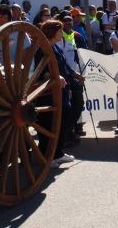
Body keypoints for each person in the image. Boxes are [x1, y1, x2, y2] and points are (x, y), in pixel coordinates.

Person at [36, 20, 84, 168]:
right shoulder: (42, 50)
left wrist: (75, 74)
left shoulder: (54, 47)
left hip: (61, 92)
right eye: (59, 31)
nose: (61, 33)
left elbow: (63, 66)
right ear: (51, 33)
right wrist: (56, 76)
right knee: (49, 124)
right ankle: (47, 156)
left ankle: (58, 153)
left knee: (62, 122)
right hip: (48, 95)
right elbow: (41, 72)